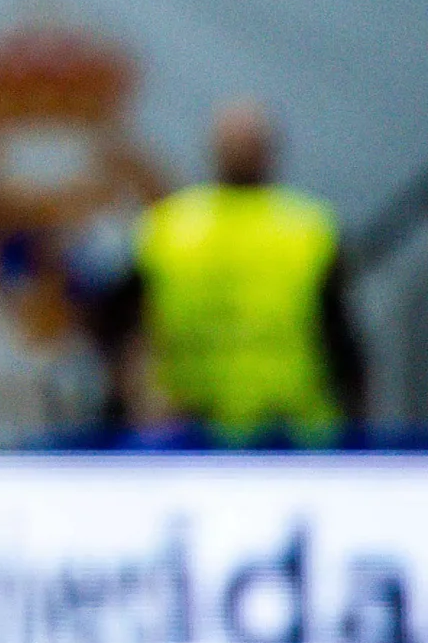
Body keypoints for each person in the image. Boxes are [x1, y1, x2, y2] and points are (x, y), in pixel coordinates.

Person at [94, 100, 367, 446]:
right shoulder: (308, 228)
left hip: (277, 429)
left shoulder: (169, 227)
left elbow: (113, 328)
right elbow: (344, 345)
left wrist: (130, 405)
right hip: (237, 428)